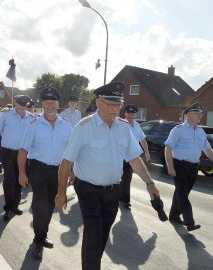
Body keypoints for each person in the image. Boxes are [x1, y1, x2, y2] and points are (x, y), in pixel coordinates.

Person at [55, 81, 160, 270]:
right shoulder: (83, 127)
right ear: (99, 103)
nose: (115, 109)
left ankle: (91, 262)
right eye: (111, 104)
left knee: (102, 235)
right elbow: (66, 162)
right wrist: (61, 192)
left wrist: (149, 182)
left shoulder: (123, 127)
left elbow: (134, 158)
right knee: (94, 234)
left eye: (118, 104)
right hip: (88, 189)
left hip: (113, 190)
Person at [18, 87, 72, 259]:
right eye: (46, 102)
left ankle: (42, 233)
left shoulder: (67, 126)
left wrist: (72, 171)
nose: (49, 105)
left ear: (58, 104)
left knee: (50, 204)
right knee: (41, 203)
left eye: (53, 102)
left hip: (58, 171)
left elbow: (71, 152)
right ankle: (39, 241)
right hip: (38, 168)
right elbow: (23, 151)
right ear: (42, 104)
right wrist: (21, 173)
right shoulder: (33, 124)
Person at [165, 102, 213, 231]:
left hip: (193, 167)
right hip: (179, 165)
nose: (200, 116)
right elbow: (168, 148)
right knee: (182, 194)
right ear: (189, 115)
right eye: (198, 114)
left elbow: (208, 150)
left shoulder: (201, 132)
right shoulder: (178, 130)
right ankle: (190, 222)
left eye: (201, 114)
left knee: (183, 192)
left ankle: (174, 215)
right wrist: (170, 167)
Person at [0, 95, 34, 220]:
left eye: (25, 104)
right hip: (8, 152)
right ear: (15, 103)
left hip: (24, 153)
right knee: (9, 180)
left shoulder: (32, 118)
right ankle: (8, 207)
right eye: (20, 103)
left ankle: (15, 205)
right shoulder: (6, 115)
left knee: (20, 180)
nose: (22, 106)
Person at [120, 104, 151, 210]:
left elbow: (143, 139)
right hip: (120, 156)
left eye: (132, 114)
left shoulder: (137, 125)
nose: (130, 115)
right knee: (117, 178)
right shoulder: (120, 124)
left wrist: (146, 152)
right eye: (128, 113)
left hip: (132, 157)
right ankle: (117, 196)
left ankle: (125, 201)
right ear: (125, 114)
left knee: (127, 178)